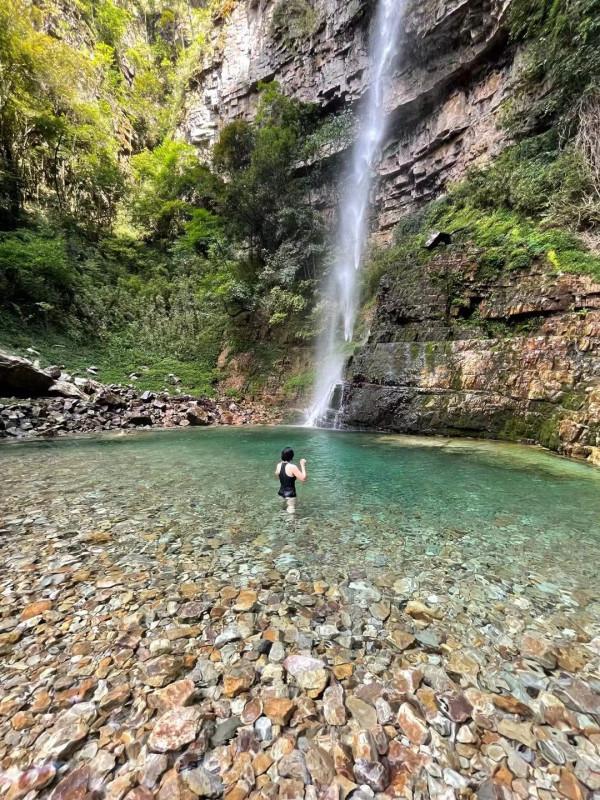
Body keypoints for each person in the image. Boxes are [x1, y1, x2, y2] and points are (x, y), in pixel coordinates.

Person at [275, 447, 307, 513]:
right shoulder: (292, 467)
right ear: (291, 456)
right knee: (291, 513)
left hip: (281, 493)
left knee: (282, 511)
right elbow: (303, 478)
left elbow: (277, 475)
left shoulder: (278, 465)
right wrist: (302, 465)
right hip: (290, 495)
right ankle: (290, 523)